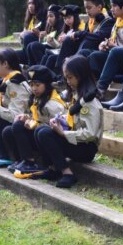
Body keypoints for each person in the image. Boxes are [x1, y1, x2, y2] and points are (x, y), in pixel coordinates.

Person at [30, 56, 103, 188]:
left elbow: (90, 133)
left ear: (80, 76)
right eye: (66, 78)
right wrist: (59, 120)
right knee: (40, 130)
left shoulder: (89, 102)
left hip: (86, 148)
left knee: (44, 134)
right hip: (76, 141)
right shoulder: (77, 95)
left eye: (70, 77)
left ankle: (67, 173)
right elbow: (71, 116)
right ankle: (52, 168)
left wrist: (63, 134)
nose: (68, 81)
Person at [2, 65, 66, 177]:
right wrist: (26, 117)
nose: (34, 88)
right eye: (31, 85)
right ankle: (21, 160)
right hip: (39, 134)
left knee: (18, 127)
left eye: (38, 85)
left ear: (47, 84)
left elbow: (58, 126)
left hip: (51, 139)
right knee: (8, 130)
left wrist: (34, 124)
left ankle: (30, 162)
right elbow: (36, 117)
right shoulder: (38, 97)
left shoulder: (53, 103)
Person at [52, 0, 114, 75]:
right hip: (88, 48)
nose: (87, 11)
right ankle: (60, 73)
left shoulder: (108, 20)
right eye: (85, 8)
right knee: (68, 40)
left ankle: (70, 67)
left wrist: (79, 34)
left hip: (98, 50)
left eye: (89, 8)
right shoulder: (90, 20)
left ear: (99, 7)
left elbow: (99, 36)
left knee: (87, 42)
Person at [40, 5, 84, 71]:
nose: (67, 20)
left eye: (69, 17)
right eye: (65, 18)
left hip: (73, 54)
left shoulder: (80, 27)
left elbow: (78, 42)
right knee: (46, 56)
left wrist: (67, 37)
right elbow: (59, 46)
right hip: (62, 53)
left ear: (75, 17)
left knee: (51, 58)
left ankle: (47, 76)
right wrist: (54, 42)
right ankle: (38, 73)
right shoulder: (66, 30)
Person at [17, 0, 47, 64]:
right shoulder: (30, 18)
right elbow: (23, 40)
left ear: (39, 4)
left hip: (39, 48)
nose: (30, 6)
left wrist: (38, 34)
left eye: (33, 3)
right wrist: (22, 36)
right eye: (29, 3)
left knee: (28, 37)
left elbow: (48, 37)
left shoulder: (46, 16)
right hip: (26, 50)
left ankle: (31, 65)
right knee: (10, 55)